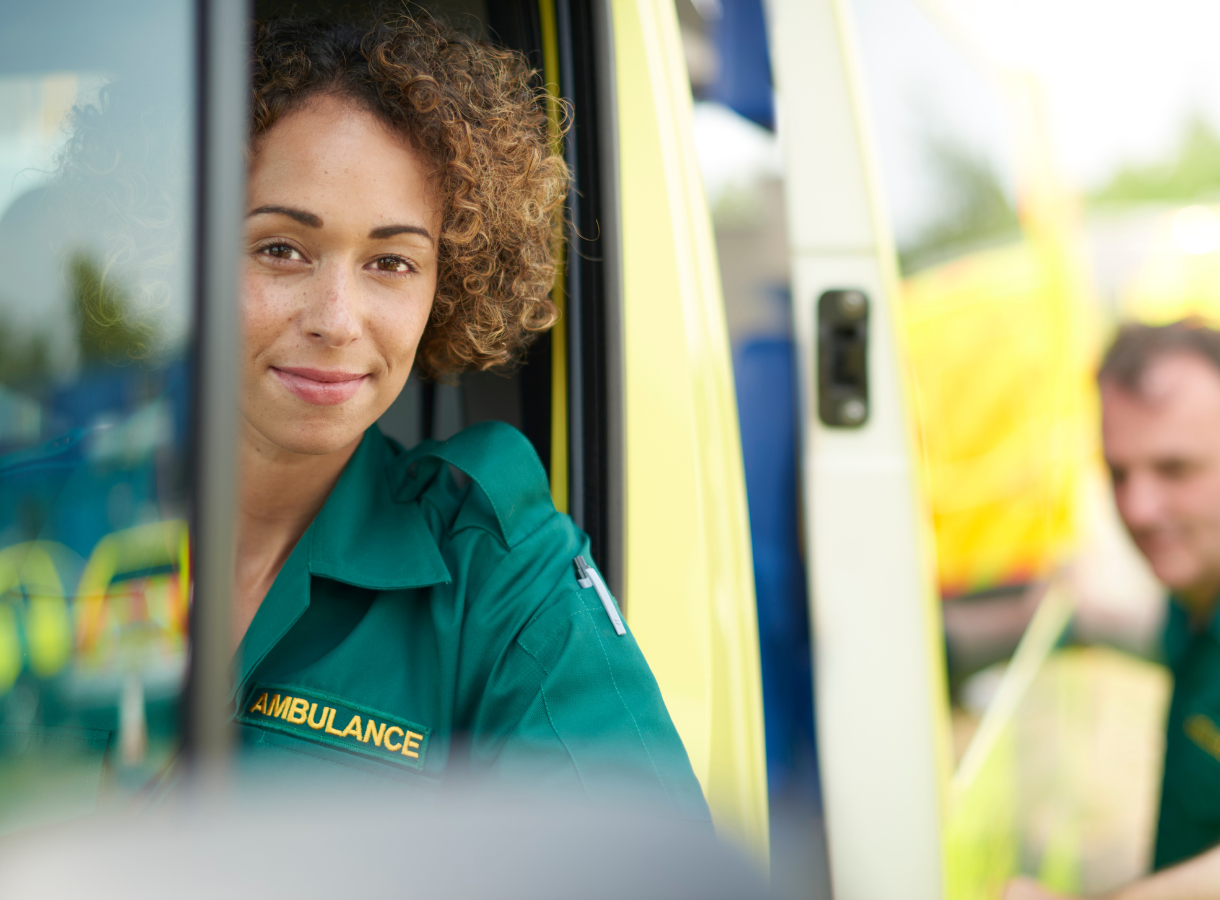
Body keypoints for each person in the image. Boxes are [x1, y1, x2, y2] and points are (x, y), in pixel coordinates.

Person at [1007, 320, 1220, 898]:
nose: (1138, 508)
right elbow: (1113, 628)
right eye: (1117, 473)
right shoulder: (1193, 604)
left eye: (1176, 469)